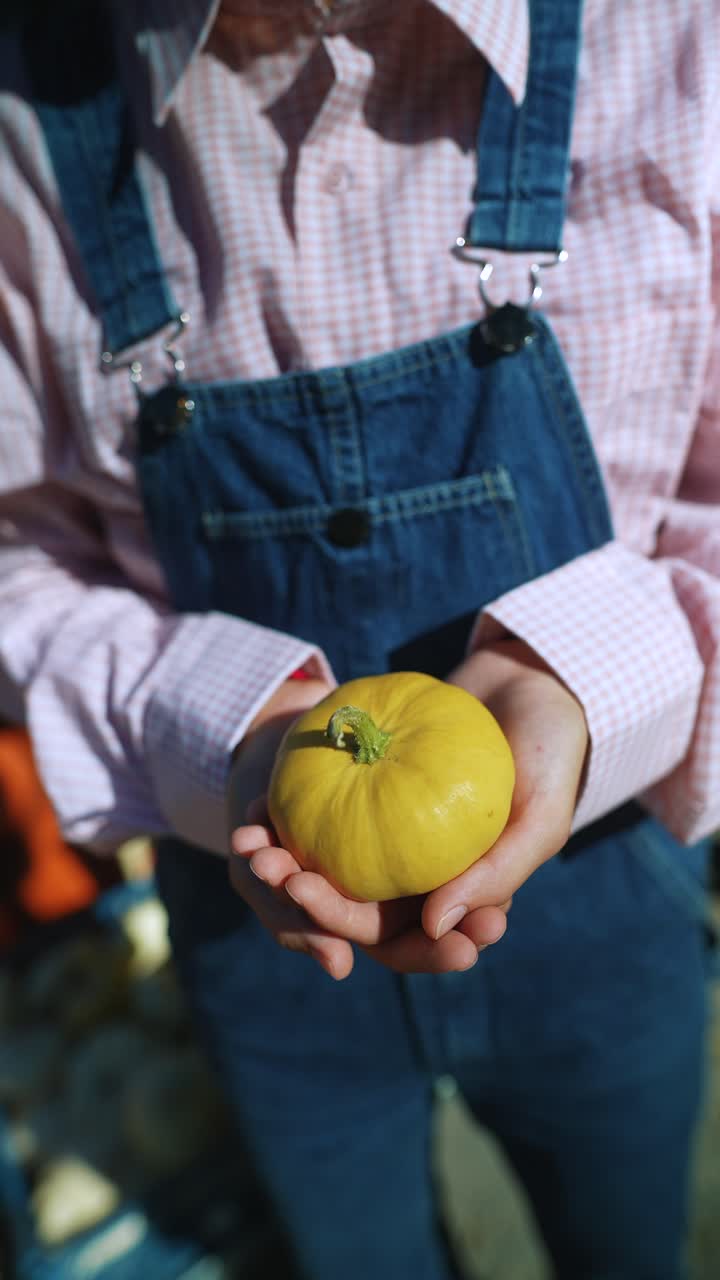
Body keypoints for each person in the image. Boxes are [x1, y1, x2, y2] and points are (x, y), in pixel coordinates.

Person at [1, 1, 718, 1276]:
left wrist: (578, 673)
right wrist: (224, 722)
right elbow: (17, 568)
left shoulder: (679, 48)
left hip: (607, 908)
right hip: (259, 938)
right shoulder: (30, 122)